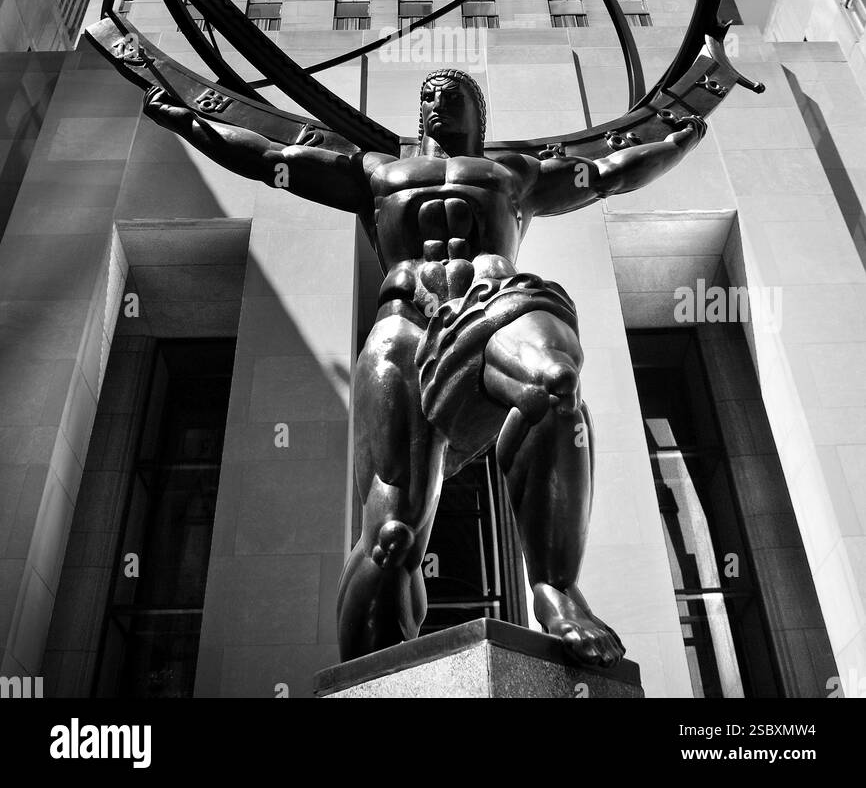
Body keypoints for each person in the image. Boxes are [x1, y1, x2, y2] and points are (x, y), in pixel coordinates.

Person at [144, 67, 705, 666]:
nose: (437, 102)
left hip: (492, 308)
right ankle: (371, 666)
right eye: (429, 95)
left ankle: (556, 591)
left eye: (453, 95)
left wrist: (677, 142)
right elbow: (271, 157)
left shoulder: (513, 173)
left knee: (554, 381)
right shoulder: (374, 171)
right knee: (392, 533)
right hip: (404, 325)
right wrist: (194, 127)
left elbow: (609, 173)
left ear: (478, 116)